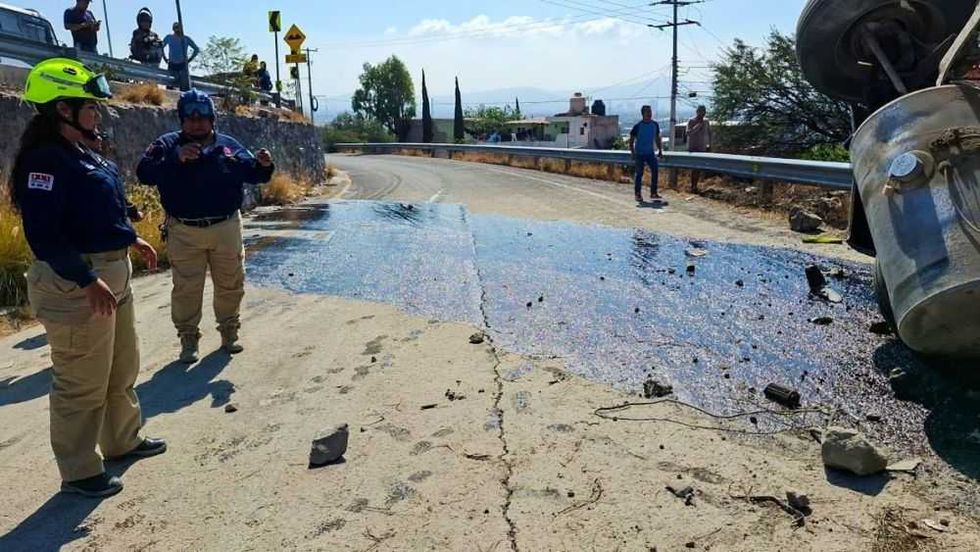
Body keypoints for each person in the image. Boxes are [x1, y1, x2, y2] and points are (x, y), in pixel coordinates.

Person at [8, 58, 165, 498]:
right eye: (89, 106)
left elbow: (97, 210)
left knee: (120, 366)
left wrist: (130, 238)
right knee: (81, 381)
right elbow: (44, 234)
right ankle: (78, 471)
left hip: (110, 269)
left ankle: (121, 440)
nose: (98, 113)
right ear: (62, 108)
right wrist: (85, 279)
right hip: (77, 281)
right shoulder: (44, 161)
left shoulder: (82, 152)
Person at [137, 90, 275, 363]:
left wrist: (265, 165)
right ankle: (188, 338)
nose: (196, 122)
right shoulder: (166, 145)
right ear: (182, 120)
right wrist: (175, 159)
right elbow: (144, 173)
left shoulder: (228, 145)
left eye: (202, 117)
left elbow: (253, 173)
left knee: (231, 283)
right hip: (184, 230)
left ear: (212, 119)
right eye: (190, 117)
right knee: (187, 288)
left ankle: (229, 331)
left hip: (225, 227)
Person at [629, 105, 664, 203]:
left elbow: (657, 138)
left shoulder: (655, 125)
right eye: (647, 112)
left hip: (650, 153)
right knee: (639, 174)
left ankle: (653, 192)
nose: (649, 114)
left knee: (655, 170)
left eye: (650, 111)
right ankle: (638, 194)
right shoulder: (638, 126)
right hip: (639, 153)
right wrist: (633, 152)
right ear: (643, 114)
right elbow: (631, 140)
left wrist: (660, 150)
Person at [163, 23, 200, 92]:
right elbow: (161, 47)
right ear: (173, 29)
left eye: (178, 27)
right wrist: (164, 57)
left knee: (184, 88)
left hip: (182, 65)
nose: (177, 29)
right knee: (170, 85)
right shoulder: (169, 37)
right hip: (172, 64)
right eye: (175, 27)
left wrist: (189, 60)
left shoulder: (186, 39)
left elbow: (196, 49)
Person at [686, 105, 712, 193]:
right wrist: (697, 126)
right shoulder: (691, 121)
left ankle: (696, 186)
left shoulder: (706, 121)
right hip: (693, 148)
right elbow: (688, 133)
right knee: (694, 168)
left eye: (704, 112)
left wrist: (709, 145)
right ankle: (693, 186)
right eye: (701, 111)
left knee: (699, 168)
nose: (702, 114)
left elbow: (709, 133)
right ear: (697, 112)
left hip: (702, 148)